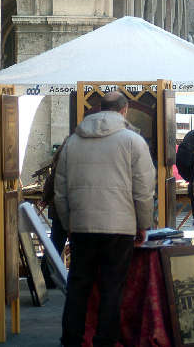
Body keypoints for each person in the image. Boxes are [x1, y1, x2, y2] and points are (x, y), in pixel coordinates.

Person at [54, 91, 155, 347]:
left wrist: (68, 224)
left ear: (99, 109)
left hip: (81, 225)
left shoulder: (73, 142)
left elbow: (60, 190)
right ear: (124, 110)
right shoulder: (133, 141)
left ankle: (71, 340)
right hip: (119, 227)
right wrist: (143, 224)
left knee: (78, 285)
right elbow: (144, 190)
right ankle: (104, 341)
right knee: (112, 287)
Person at [40, 137, 69, 289]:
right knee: (56, 243)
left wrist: (45, 197)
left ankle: (45, 276)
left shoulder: (61, 155)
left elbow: (51, 180)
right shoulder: (67, 155)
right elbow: (53, 181)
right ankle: (47, 277)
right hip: (63, 206)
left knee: (55, 243)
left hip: (58, 206)